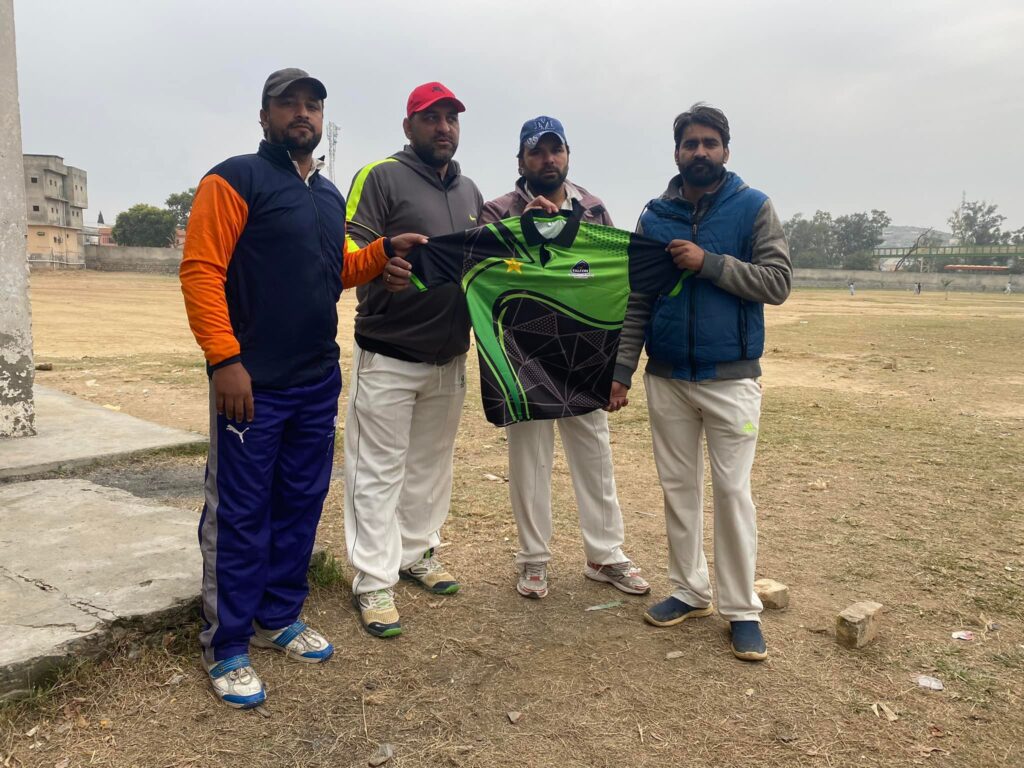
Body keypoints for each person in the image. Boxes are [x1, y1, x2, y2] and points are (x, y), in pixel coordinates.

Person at [180, 68, 425, 707]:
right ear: (264, 115)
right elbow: (201, 271)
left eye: (312, 105)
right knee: (240, 511)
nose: (302, 113)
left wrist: (382, 252)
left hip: (316, 379)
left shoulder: (326, 193)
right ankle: (227, 643)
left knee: (300, 500)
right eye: (287, 103)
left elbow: (334, 269)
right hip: (251, 384)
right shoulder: (233, 179)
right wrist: (225, 360)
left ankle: (278, 615)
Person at [609, 103, 792, 661]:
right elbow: (638, 300)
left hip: (731, 378)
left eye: (711, 143)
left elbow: (777, 282)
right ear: (677, 153)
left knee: (732, 494)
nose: (701, 152)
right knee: (679, 489)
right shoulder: (654, 216)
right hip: (667, 377)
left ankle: (741, 609)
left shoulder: (754, 207)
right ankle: (690, 590)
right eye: (691, 143)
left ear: (726, 151)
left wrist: (708, 262)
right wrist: (621, 371)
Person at [478, 116, 650, 600]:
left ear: (568, 155)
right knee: (529, 460)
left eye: (556, 150)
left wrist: (618, 367)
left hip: (584, 352)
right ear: (520, 161)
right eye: (536, 151)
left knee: (594, 454)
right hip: (522, 355)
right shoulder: (497, 211)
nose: (547, 159)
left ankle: (605, 554)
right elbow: (486, 272)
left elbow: (617, 284)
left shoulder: (593, 209)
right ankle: (533, 558)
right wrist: (527, 229)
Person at [343, 82, 483, 638]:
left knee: (430, 465)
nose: (443, 127)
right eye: (431, 117)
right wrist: (382, 263)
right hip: (389, 352)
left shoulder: (469, 190)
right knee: (377, 470)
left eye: (451, 118)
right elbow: (348, 251)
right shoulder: (380, 177)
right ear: (408, 126)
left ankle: (417, 552)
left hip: (449, 355)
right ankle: (373, 578)